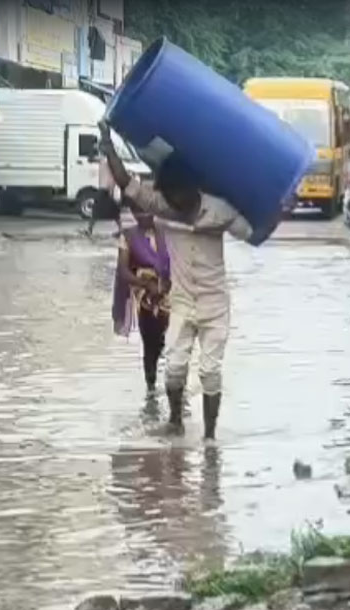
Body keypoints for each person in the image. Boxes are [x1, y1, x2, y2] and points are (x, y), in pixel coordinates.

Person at [98, 120, 286, 440]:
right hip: (182, 301)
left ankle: (210, 437)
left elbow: (255, 235)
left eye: (178, 196)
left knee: (210, 372)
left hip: (215, 304)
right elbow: (127, 183)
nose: (175, 204)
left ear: (192, 188)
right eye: (168, 197)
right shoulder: (164, 207)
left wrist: (280, 209)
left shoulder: (221, 211)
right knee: (173, 367)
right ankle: (175, 422)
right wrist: (108, 145)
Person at [113, 198, 170, 393]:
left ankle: (176, 393)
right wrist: (146, 284)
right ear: (134, 214)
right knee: (150, 343)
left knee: (175, 343)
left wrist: (164, 285)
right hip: (145, 294)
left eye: (148, 212)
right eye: (140, 213)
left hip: (171, 292)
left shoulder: (168, 232)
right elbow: (123, 270)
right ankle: (151, 389)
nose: (144, 216)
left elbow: (181, 262)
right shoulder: (128, 237)